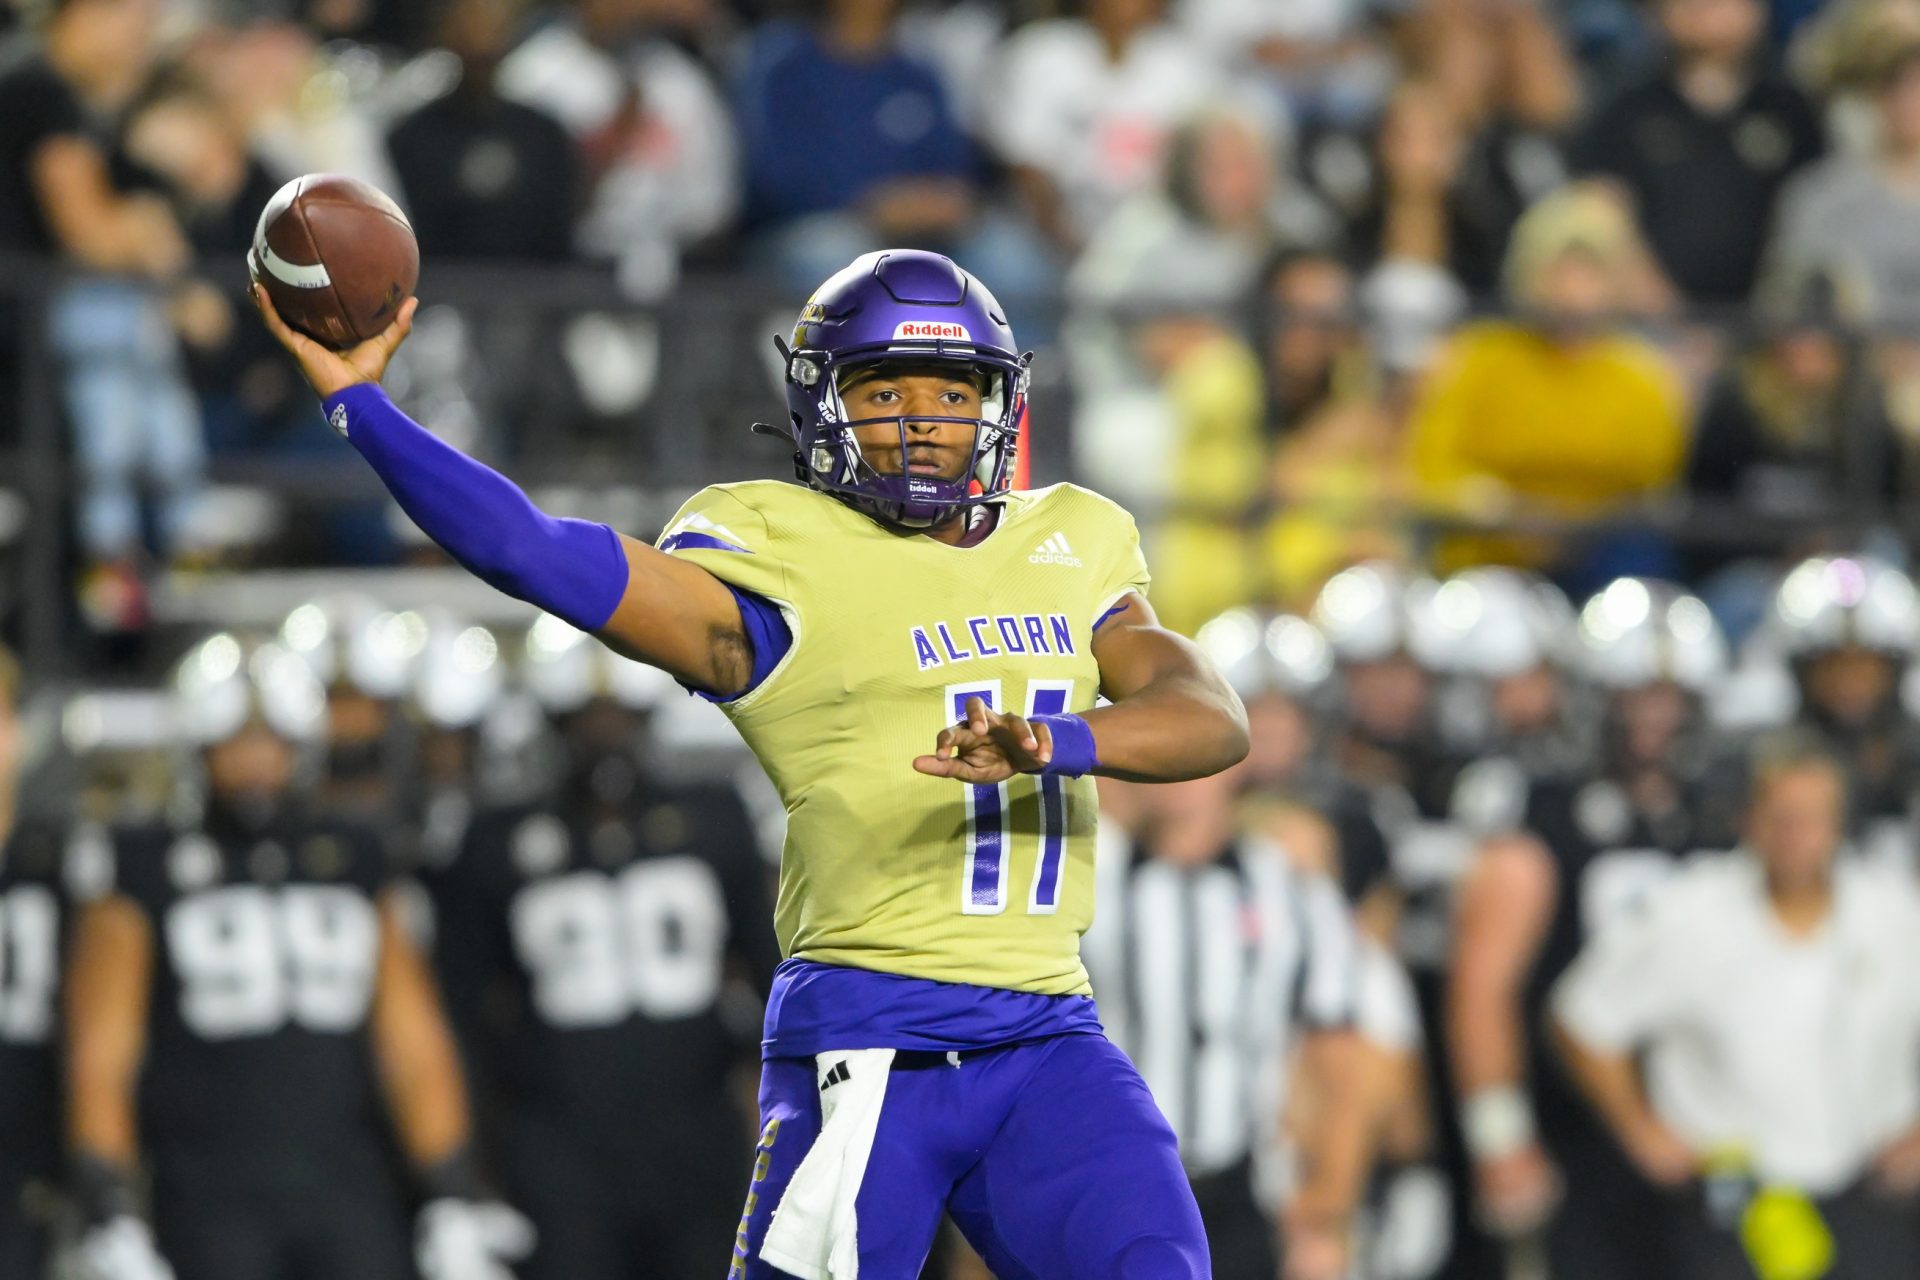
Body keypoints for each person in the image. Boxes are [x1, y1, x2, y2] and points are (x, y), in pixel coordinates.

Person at [251, 246, 1250, 1277]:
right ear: (823, 405)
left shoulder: (1073, 536)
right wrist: (363, 409)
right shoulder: (774, 549)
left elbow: (1208, 713)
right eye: (885, 389)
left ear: (998, 402)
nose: (921, 417)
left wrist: (1055, 741)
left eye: (952, 390)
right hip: (870, 1038)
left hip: (1049, 1033)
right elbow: (534, 549)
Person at [63, 633, 530, 1280]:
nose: (255, 762)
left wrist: (450, 1188)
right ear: (197, 751)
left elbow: (411, 1039)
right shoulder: (147, 864)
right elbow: (103, 1051)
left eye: (272, 742)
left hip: (348, 1183)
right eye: (236, 742)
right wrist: (108, 1200)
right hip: (206, 1191)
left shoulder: (353, 855)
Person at [428, 613, 783, 1280]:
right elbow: (463, 1012)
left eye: (619, 716)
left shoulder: (712, 816)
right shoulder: (496, 839)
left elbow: (771, 976)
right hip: (561, 1141)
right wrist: (471, 1166)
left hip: (695, 1129)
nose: (605, 735)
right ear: (553, 723)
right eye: (587, 718)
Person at [1448, 579, 1735, 1280]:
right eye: (1635, 695)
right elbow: (1483, 989)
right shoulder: (1543, 813)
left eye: (1669, 699)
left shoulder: (1727, 816)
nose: (1653, 720)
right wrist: (1501, 1138)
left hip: (1712, 1123)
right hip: (1574, 1127)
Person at [1554, 742, 1920, 1279]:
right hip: (1733, 1200)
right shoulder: (1687, 914)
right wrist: (1640, 1129)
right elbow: (1583, 1017)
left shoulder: (1894, 913)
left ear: (1840, 826)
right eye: (1781, 817)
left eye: (1813, 819)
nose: (1797, 836)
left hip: (1869, 1190)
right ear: (1750, 820)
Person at [1084, 770, 1370, 1280]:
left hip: (1248, 1193)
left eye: (1195, 745)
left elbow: (1342, 1064)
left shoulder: (1290, 887)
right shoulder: (1088, 880)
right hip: (1107, 1192)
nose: (1180, 768)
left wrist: (1325, 1214)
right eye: (1163, 749)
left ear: (1235, 758)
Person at [0, 0, 206, 629]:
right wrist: (152, 237)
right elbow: (87, 231)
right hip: (19, 355)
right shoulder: (43, 92)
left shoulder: (50, 93)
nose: (141, 41)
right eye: (133, 22)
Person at [1573, 0, 1822, 304]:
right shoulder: (1624, 111)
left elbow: (1820, 224)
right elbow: (1600, 217)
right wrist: (1670, 322)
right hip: (1647, 330)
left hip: (1773, 330)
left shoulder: (1793, 112)